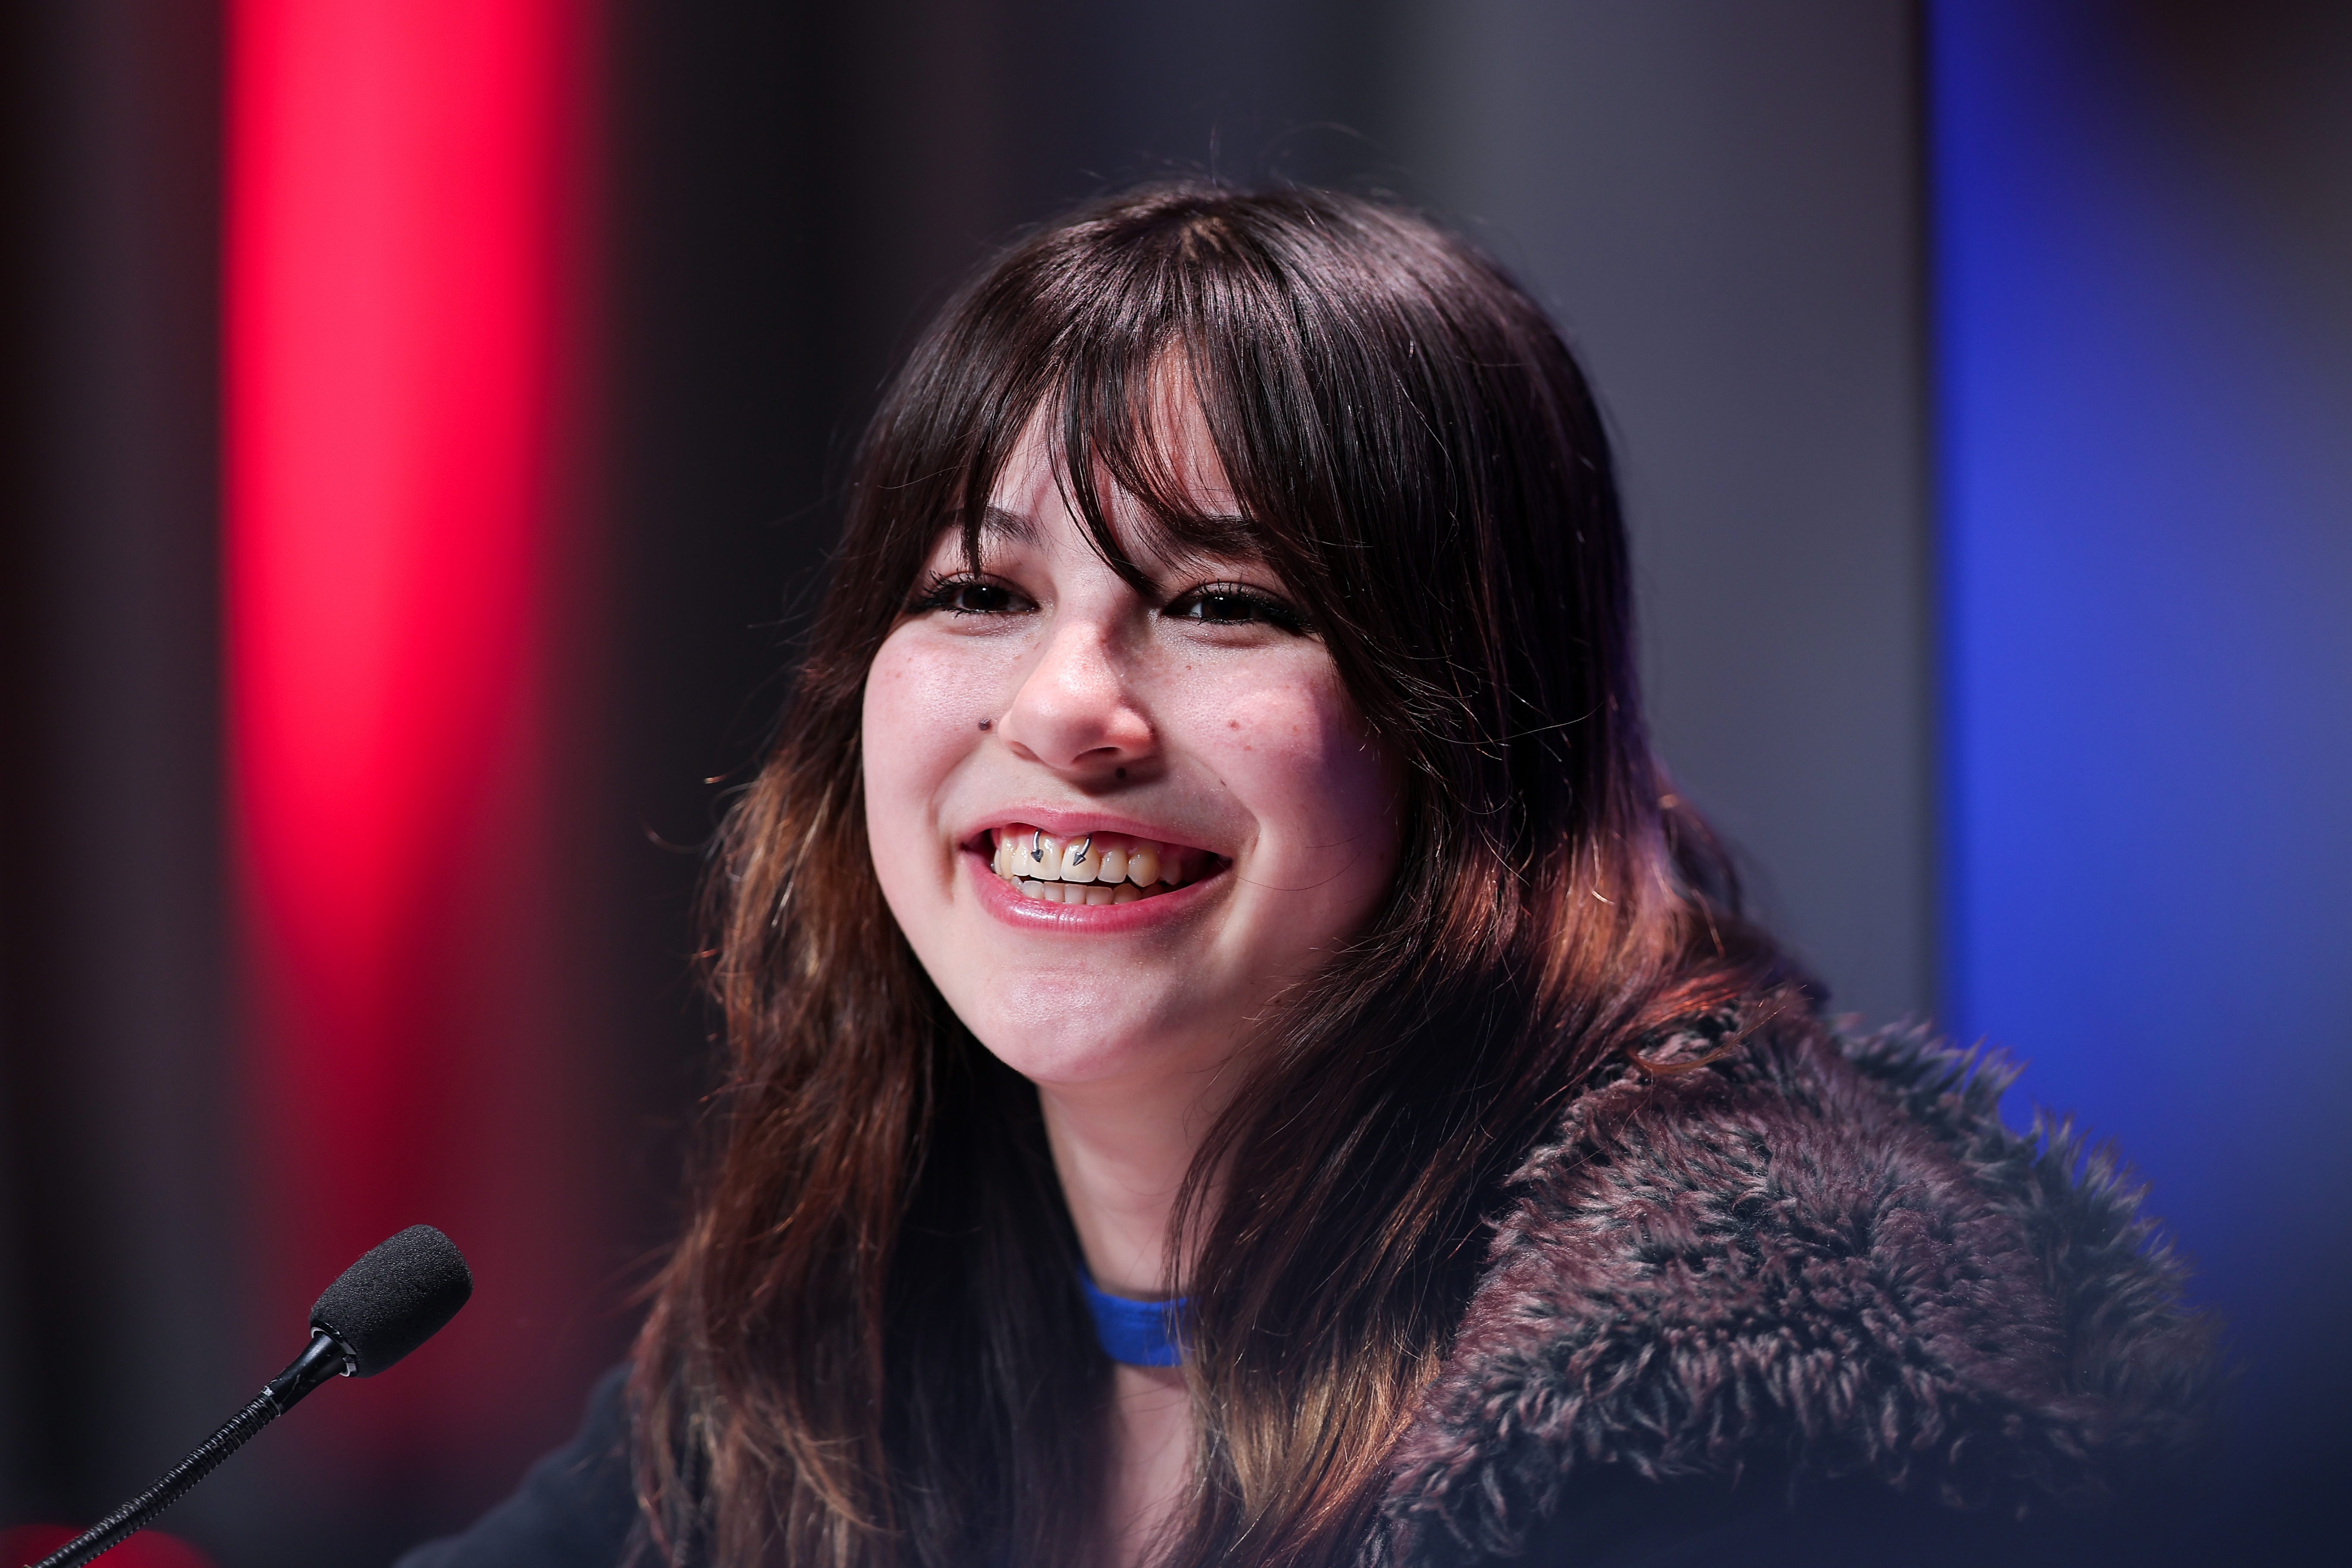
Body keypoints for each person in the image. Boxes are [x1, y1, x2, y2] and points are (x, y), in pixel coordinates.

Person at [398, 184, 2218, 1568]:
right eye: (977, 591)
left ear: (1471, 731)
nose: (1066, 710)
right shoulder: (843, 1299)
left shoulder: (1731, 1422)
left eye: (1216, 606)